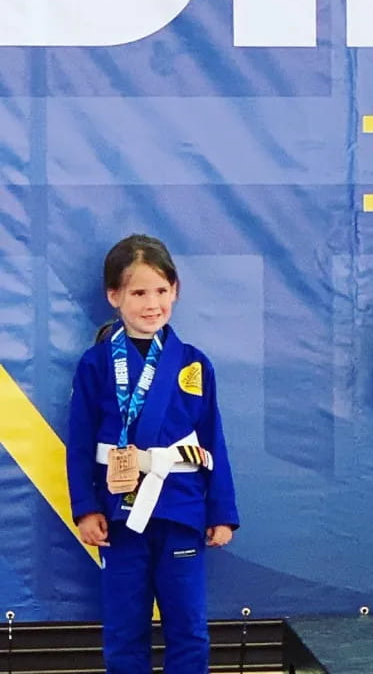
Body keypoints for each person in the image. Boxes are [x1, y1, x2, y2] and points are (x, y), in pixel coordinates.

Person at [66, 234, 239, 673]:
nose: (151, 303)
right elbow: (81, 442)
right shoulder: (96, 363)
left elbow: (212, 439)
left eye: (161, 291)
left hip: (181, 507)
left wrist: (220, 511)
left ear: (176, 291)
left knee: (189, 630)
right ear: (114, 297)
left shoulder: (194, 363)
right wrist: (85, 508)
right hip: (119, 514)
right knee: (124, 631)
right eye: (138, 292)